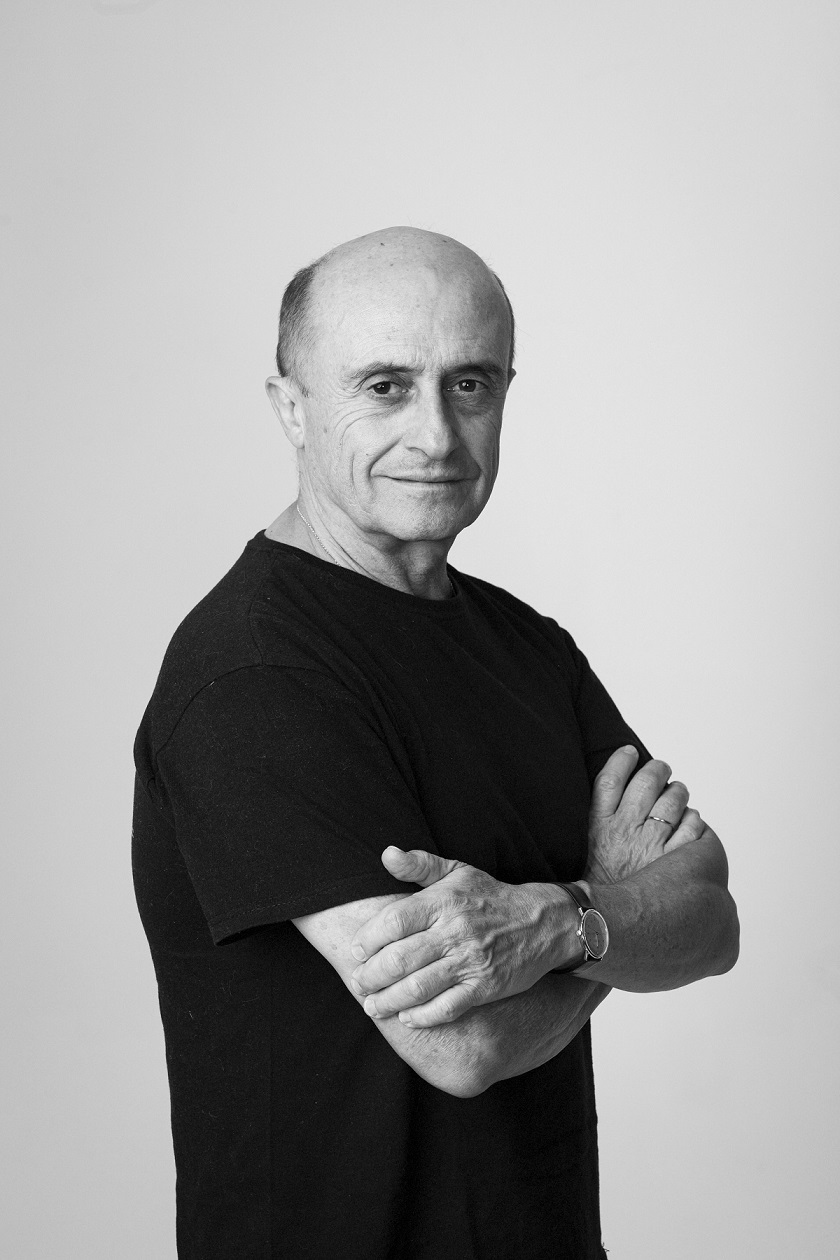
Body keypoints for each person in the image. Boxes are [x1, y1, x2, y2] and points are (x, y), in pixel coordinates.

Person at [132, 226, 739, 1260]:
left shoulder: (529, 648)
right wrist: (604, 912)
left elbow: (711, 919)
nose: (437, 436)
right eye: (384, 386)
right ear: (291, 406)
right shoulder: (254, 677)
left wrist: (560, 922)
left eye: (470, 384)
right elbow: (461, 1045)